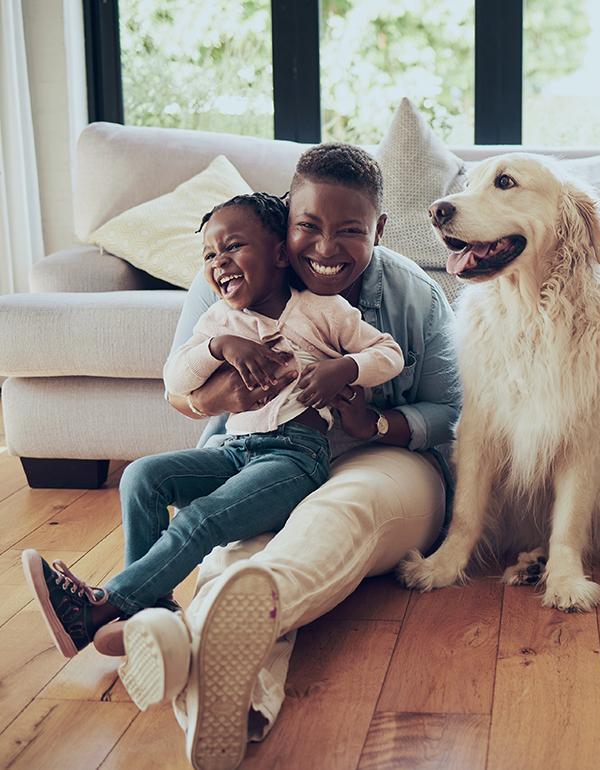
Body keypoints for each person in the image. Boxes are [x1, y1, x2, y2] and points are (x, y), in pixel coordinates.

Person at [96, 145, 457, 770]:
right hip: (260, 451)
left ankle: (190, 638)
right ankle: (215, 685)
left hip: (383, 456)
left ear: (379, 230)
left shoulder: (413, 294)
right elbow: (179, 391)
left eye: (350, 231)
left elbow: (448, 410)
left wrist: (370, 418)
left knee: (334, 514)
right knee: (232, 541)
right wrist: (219, 392)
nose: (326, 249)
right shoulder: (232, 280)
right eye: (308, 227)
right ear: (285, 222)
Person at [20, 189, 405, 666]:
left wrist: (343, 369)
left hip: (295, 458)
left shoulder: (321, 310)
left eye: (233, 246)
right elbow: (176, 379)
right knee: (142, 477)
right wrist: (220, 346)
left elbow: (389, 354)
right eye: (209, 253)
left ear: (281, 254)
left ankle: (104, 605)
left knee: (200, 518)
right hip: (233, 449)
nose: (219, 261)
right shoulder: (218, 320)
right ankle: (149, 610)